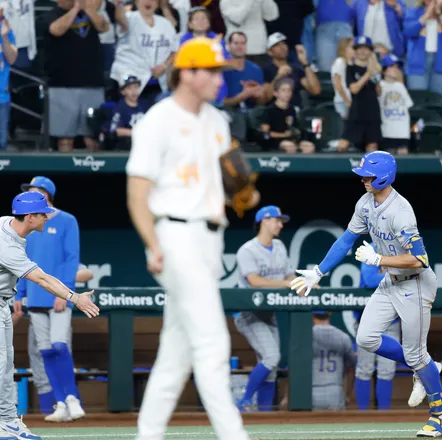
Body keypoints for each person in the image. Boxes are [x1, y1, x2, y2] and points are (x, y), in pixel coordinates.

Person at [125, 37, 252, 440]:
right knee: (213, 343)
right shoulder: (157, 120)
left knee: (176, 354)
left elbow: (235, 184)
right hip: (175, 233)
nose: (220, 79)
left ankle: (148, 434)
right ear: (189, 73)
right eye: (213, 72)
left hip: (210, 238)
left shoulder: (218, 120)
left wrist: (244, 193)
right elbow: (137, 191)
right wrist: (153, 243)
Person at [290, 151, 442, 437]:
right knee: (366, 337)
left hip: (415, 284)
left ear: (385, 175)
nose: (363, 179)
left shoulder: (401, 211)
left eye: (367, 174)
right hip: (391, 282)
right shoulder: (365, 203)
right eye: (362, 174)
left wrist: (378, 260)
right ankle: (427, 367)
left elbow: (420, 260)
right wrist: (319, 272)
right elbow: (346, 240)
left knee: (417, 355)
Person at [0, 191, 98, 439]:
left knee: (5, 364)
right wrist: (75, 298)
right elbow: (42, 279)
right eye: (44, 214)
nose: (48, 218)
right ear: (30, 217)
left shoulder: (7, 224)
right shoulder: (7, 245)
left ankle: (8, 421)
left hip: (3, 302)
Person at [13, 177, 84, 423]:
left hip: (58, 297)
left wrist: (65, 293)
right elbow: (22, 261)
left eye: (34, 191)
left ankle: (73, 398)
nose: (29, 194)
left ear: (46, 194)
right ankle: (61, 403)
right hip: (35, 297)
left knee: (59, 345)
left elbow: (71, 259)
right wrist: (19, 294)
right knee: (44, 351)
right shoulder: (29, 224)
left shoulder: (67, 220)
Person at [234, 205, 295, 412]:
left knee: (271, 369)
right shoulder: (247, 250)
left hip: (269, 314)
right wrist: (285, 284)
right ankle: (244, 400)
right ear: (264, 221)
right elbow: (254, 281)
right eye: (277, 220)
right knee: (271, 357)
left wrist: (301, 283)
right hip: (248, 314)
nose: (280, 224)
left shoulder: (279, 246)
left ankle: (265, 415)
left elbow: (288, 276)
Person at [22, 264, 94, 416]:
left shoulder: (61, 258)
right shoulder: (24, 252)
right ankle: (54, 409)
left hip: (58, 306)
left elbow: (87, 273)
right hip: (35, 307)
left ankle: (71, 401)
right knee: (42, 362)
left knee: (60, 347)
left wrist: (59, 288)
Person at [42, 0, 108, 152]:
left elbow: (104, 27)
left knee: (93, 137)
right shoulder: (51, 15)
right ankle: (65, 175)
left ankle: (94, 174)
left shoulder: (91, 15)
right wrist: (76, 9)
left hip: (93, 83)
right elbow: (55, 30)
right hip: (62, 85)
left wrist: (87, 10)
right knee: (65, 138)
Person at [353, 247, 401, 411]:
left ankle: (384, 416)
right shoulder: (371, 247)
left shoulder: (402, 250)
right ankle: (362, 416)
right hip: (367, 318)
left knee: (387, 370)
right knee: (364, 369)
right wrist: (400, 276)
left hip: (392, 319)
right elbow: (370, 279)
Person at [111, 0, 178, 105]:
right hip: (130, 82)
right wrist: (119, 4)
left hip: (158, 83)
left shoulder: (165, 23)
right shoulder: (129, 17)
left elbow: (175, 51)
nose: (148, 2)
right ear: (136, 2)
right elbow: (121, 20)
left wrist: (165, 66)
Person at [403, 0, 442, 97]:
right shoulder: (414, 11)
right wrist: (426, 16)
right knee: (418, 101)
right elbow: (408, 31)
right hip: (418, 64)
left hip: (441, 63)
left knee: (439, 101)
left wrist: (439, 14)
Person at [339, 36, 381, 153]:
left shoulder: (374, 70)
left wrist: (375, 74)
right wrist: (368, 73)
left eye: (366, 48)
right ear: (355, 50)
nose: (362, 51)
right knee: (343, 144)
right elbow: (354, 89)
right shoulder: (350, 68)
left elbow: (379, 92)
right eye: (360, 48)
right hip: (357, 112)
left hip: (373, 112)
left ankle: (370, 171)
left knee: (372, 146)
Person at [312, 311, 357, 410]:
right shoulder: (343, 337)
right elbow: (351, 370)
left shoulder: (305, 337)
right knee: (337, 425)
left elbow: (296, 369)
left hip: (311, 390)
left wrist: (287, 396)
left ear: (312, 314)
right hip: (335, 390)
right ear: (330, 313)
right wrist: (348, 394)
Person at [262, 32, 321, 108]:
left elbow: (315, 90)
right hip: (275, 112)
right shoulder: (265, 70)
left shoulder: (296, 69)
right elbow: (265, 98)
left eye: (284, 43)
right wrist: (278, 76)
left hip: (296, 111)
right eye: (277, 45)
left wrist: (305, 63)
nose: (282, 47)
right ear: (269, 52)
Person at [259, 77, 316, 154]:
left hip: (291, 139)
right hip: (275, 141)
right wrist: (284, 135)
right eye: (283, 90)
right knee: (290, 147)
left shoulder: (291, 110)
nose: (287, 93)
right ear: (275, 93)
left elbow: (295, 127)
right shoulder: (269, 111)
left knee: (309, 147)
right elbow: (265, 134)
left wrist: (296, 133)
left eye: (289, 90)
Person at [378, 54, 413, 155]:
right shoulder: (380, 86)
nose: (395, 69)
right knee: (388, 158)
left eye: (397, 67)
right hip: (387, 130)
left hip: (402, 131)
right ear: (384, 70)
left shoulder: (400, 86)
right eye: (391, 66)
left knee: (403, 160)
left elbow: (407, 105)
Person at [223, 31, 265, 109]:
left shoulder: (255, 69)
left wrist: (257, 96)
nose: (240, 46)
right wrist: (243, 95)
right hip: (229, 114)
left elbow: (261, 102)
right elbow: (219, 103)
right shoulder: (220, 70)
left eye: (243, 43)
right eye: (236, 43)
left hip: (252, 114)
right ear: (228, 46)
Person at [110, 75, 148, 150]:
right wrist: (137, 133)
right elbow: (116, 130)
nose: (134, 91)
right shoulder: (120, 108)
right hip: (128, 144)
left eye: (136, 87)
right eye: (129, 88)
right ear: (123, 92)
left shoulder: (145, 104)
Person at [0, 12, 17, 151]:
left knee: (1, 143)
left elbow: (11, 59)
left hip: (1, 98)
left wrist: (4, 37)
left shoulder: (6, 30)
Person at [331, 37, 355, 120]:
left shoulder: (351, 64)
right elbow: (337, 84)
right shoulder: (340, 61)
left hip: (351, 100)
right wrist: (346, 101)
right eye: (352, 47)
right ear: (344, 48)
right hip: (342, 101)